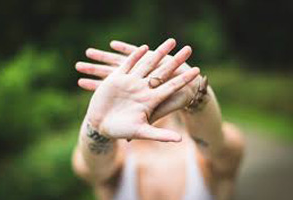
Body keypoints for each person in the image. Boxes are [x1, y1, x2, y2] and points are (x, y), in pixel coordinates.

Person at [72, 39, 245, 200]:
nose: (136, 101)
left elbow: (218, 147)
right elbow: (95, 168)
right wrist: (96, 125)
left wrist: (196, 93)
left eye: (145, 82)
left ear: (167, 83)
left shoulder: (206, 155)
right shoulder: (115, 163)